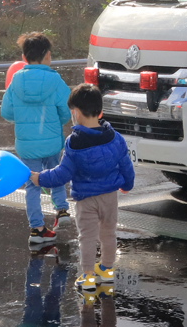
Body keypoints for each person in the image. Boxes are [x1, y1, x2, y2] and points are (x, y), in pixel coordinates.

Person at [30, 84, 134, 293]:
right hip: (109, 197)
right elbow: (126, 166)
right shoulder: (115, 138)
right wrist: (126, 185)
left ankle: (87, 277)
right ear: (100, 112)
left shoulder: (74, 143)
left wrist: (40, 178)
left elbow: (62, 174)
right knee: (108, 234)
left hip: (86, 200)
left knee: (87, 238)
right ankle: (106, 271)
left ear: (76, 113)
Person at [2, 33, 72, 245]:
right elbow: (66, 110)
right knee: (55, 174)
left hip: (26, 144)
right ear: (48, 55)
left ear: (24, 57)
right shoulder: (55, 80)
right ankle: (61, 209)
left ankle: (37, 229)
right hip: (51, 140)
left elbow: (6, 112)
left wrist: (21, 118)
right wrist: (57, 123)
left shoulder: (16, 81)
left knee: (32, 185)